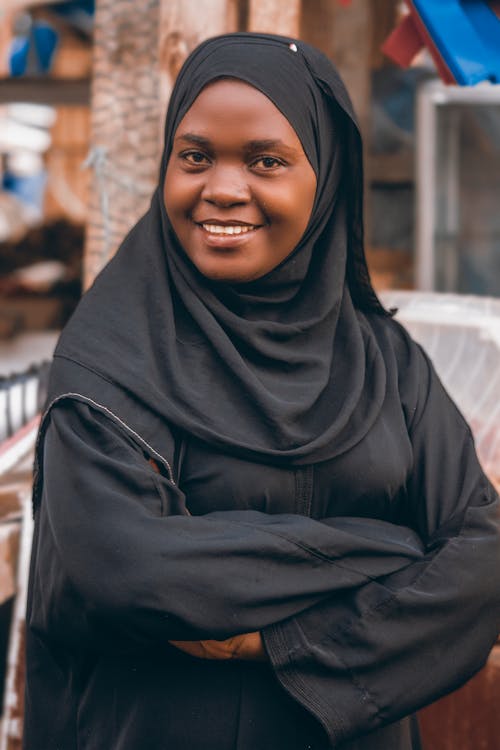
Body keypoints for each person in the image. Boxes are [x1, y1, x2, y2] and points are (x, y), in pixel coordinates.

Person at [24, 33, 500, 750]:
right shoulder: (111, 361)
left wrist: (276, 640)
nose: (220, 187)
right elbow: (134, 570)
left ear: (327, 178)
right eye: (195, 157)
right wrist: (394, 554)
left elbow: (482, 557)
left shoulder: (385, 362)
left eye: (265, 161)